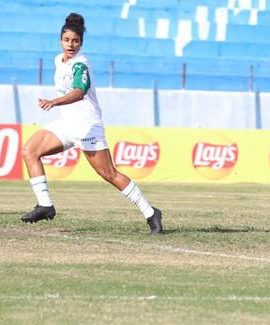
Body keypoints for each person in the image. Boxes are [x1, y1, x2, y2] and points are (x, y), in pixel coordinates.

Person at [19, 13, 164, 234]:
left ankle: (151, 213)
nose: (71, 45)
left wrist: (55, 101)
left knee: (109, 174)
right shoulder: (58, 60)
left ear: (81, 43)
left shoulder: (81, 64)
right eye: (67, 40)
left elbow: (79, 91)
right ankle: (45, 205)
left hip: (87, 125)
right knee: (30, 150)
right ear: (60, 40)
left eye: (75, 41)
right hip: (67, 123)